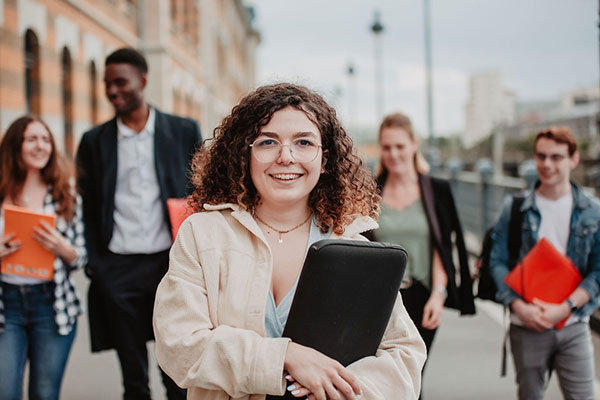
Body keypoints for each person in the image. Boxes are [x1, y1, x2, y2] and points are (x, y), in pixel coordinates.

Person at [153, 83, 426, 400]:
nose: (286, 157)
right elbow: (178, 346)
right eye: (268, 141)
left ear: (324, 161)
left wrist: (342, 388)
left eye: (303, 142)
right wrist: (285, 357)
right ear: (246, 153)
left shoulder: (351, 244)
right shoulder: (202, 234)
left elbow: (404, 354)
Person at [76, 47, 202, 400]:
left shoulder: (181, 131)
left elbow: (201, 194)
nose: (113, 91)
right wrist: (97, 265)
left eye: (121, 83)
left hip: (170, 266)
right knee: (133, 378)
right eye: (107, 85)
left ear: (142, 82)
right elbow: (88, 207)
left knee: (176, 374)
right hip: (116, 269)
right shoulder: (94, 141)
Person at [490, 126, 600, 400]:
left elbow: (598, 271)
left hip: (573, 323)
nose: (547, 164)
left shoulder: (593, 212)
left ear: (573, 159)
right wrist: (519, 307)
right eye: (541, 156)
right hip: (526, 323)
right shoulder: (514, 208)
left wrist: (564, 308)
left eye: (556, 157)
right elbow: (497, 261)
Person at [365, 113, 475, 354]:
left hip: (424, 297)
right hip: (382, 301)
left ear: (414, 144)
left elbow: (441, 246)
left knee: (415, 379)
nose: (393, 154)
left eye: (400, 146)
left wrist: (438, 294)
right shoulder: (369, 192)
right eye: (387, 147)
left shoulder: (437, 190)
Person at [0, 115, 86, 400]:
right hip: (5, 305)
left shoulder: (66, 196)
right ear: (16, 146)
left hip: (51, 305)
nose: (41, 146)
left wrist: (62, 247)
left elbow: (81, 256)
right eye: (32, 139)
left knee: (44, 393)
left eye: (46, 139)